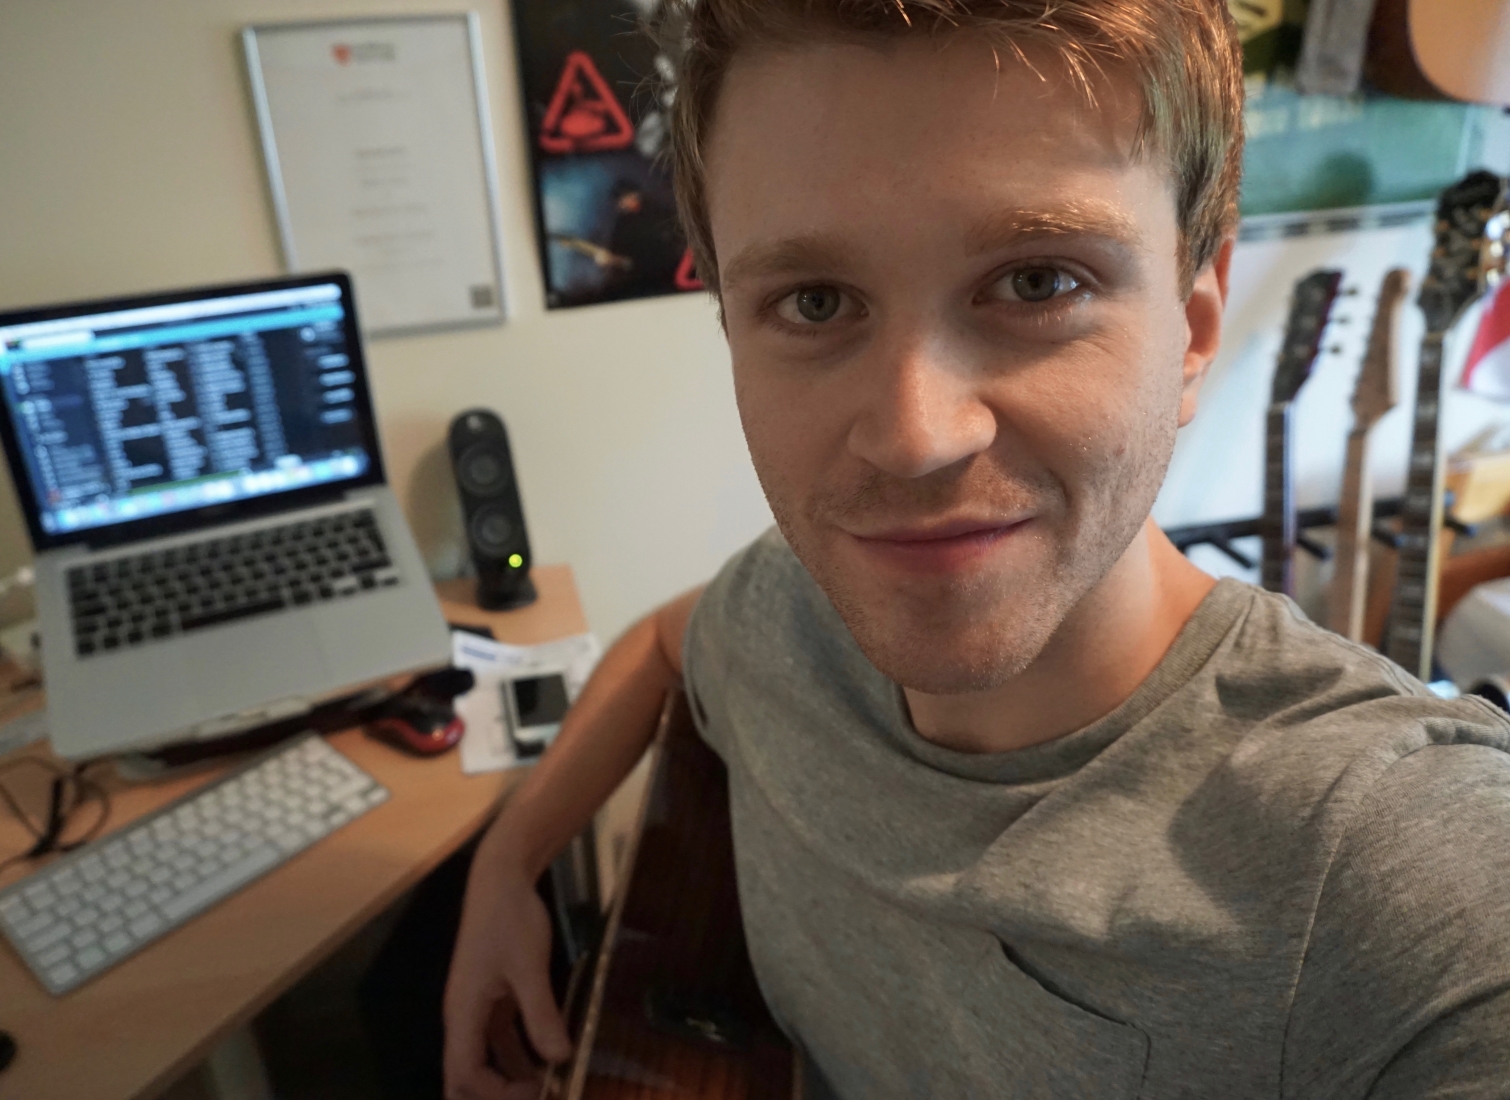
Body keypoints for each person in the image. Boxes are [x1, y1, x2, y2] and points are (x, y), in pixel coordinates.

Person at [443, 1, 1510, 1096]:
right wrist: (510, 859)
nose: (915, 435)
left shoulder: (1389, 866)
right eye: (815, 302)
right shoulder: (789, 615)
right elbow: (670, 643)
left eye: (1038, 281)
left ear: (1192, 329)